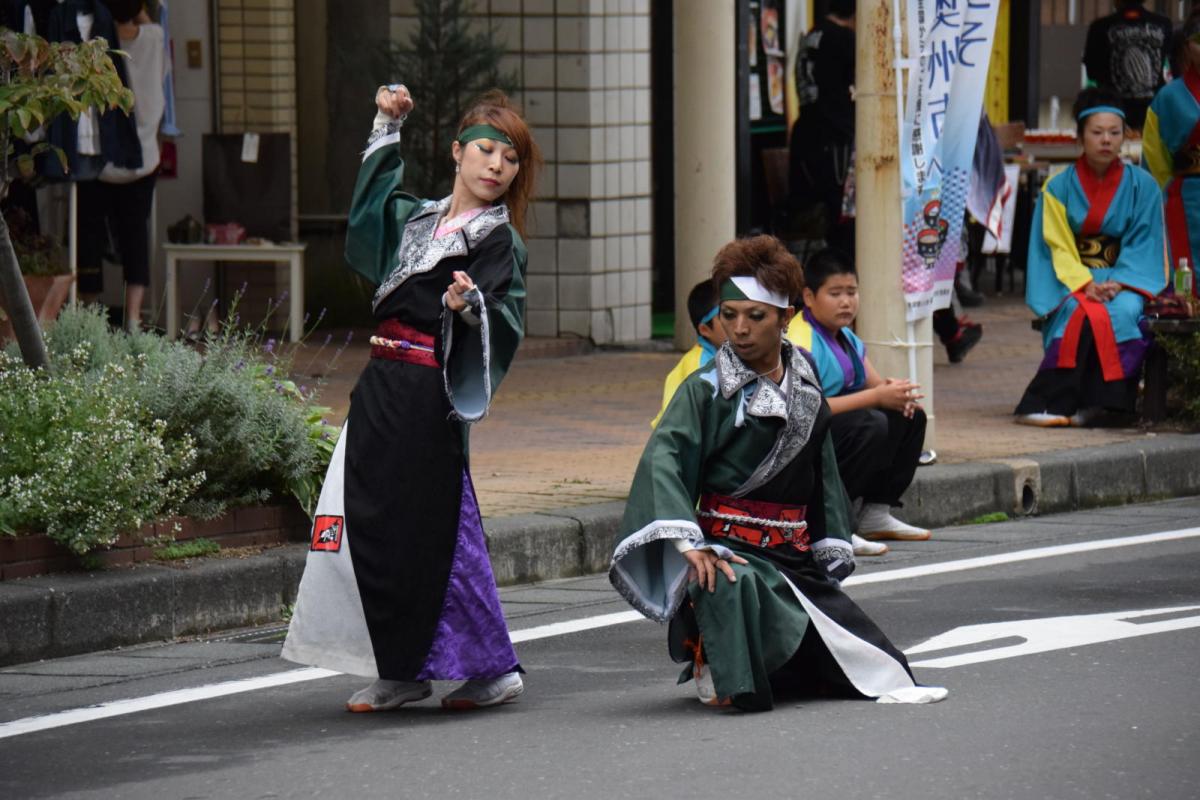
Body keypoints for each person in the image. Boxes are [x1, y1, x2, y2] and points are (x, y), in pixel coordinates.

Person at [282, 86, 541, 712]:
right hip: (379, 384)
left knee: (436, 531)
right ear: (456, 152)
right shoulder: (417, 217)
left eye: (510, 159)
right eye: (486, 150)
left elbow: (503, 313)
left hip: (431, 393)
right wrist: (386, 124)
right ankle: (400, 671)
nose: (496, 166)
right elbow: (369, 216)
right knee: (371, 521)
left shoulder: (498, 239)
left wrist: (468, 305)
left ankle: (491, 667)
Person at [609, 235, 946, 711]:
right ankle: (714, 660)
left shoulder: (803, 373)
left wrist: (829, 541)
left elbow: (822, 468)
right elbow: (664, 458)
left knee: (877, 667)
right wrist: (689, 545)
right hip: (729, 548)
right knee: (726, 585)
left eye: (755, 316)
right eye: (729, 316)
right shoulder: (705, 388)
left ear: (786, 317)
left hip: (793, 554)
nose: (740, 329)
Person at [1015, 89, 1168, 427]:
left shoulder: (1143, 186)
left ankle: (1108, 407)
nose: (1106, 140)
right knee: (1077, 312)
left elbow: (1145, 241)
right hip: (1071, 279)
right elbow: (1055, 244)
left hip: (1123, 280)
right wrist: (1084, 283)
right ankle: (1054, 403)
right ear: (1080, 136)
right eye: (1097, 132)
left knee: (1124, 312)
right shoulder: (1057, 187)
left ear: (1125, 135)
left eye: (1114, 132)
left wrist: (1120, 281)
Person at [786, 248, 931, 557]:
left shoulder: (848, 337)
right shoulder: (800, 340)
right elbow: (807, 408)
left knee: (910, 415)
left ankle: (876, 512)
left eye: (851, 292)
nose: (846, 302)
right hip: (802, 438)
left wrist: (896, 394)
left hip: (836, 425)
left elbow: (875, 384)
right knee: (870, 424)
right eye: (835, 293)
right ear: (809, 297)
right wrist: (877, 397)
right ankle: (833, 522)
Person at [788, 0, 855, 253]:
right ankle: (843, 266)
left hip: (807, 135)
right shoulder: (844, 39)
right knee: (844, 221)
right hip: (834, 140)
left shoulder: (812, 35)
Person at [1143, 16, 1200, 286]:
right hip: (1184, 199)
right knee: (1185, 269)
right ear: (1187, 46)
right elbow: (1154, 159)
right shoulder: (1168, 97)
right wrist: (1165, 196)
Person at [1082, 0, 1173, 130]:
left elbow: (1092, 72)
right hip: (1154, 111)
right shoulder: (1164, 24)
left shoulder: (1100, 27)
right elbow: (1172, 65)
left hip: (1113, 111)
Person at [650, 279, 727, 428]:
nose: (740, 325)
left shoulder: (727, 357)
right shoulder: (701, 371)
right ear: (705, 329)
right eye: (728, 315)